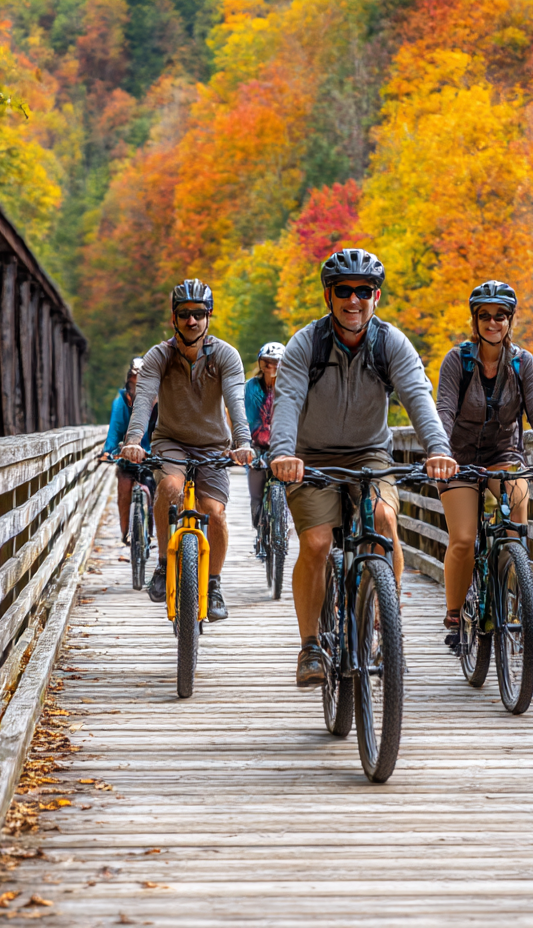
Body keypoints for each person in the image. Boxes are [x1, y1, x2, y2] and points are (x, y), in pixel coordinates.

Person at [269, 248, 458, 686]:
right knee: (316, 543)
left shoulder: (390, 342)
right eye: (343, 291)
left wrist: (438, 449)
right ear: (328, 296)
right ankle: (311, 645)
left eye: (363, 291)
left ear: (376, 296)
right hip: (310, 458)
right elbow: (289, 399)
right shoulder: (306, 344)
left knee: (382, 517)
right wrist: (282, 452)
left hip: (369, 454)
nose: (353, 300)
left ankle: (383, 618)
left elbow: (418, 397)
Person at [434, 280, 533, 633]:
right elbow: (444, 412)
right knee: (463, 538)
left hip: (504, 453)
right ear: (475, 321)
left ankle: (506, 590)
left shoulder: (523, 363)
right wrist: (440, 454)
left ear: (510, 320)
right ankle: (454, 610)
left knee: (516, 520)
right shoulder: (457, 360)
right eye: (484, 316)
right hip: (458, 458)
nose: (492, 323)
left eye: (500, 316)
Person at [121, 279, 254, 622]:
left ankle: (214, 584)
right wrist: (134, 440)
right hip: (172, 441)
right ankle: (165, 565)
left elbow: (236, 402)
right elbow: (144, 401)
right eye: (184, 314)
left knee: (215, 511)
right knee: (169, 488)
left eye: (198, 314)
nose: (191, 321)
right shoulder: (159, 356)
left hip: (213, 445)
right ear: (173, 318)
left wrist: (243, 443)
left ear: (209, 317)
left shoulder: (225, 355)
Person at [101, 357, 157, 544]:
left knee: (160, 488)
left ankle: (155, 530)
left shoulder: (160, 402)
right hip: (127, 455)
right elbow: (115, 429)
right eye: (134, 382)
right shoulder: (121, 402)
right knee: (124, 487)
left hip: (152, 456)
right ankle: (126, 533)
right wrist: (109, 450)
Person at [245, 340, 285, 538]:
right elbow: (242, 415)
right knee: (257, 497)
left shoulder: (290, 387)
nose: (271, 366)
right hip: (257, 447)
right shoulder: (251, 387)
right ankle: (260, 528)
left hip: (284, 449)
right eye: (266, 362)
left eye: (277, 362)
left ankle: (284, 529)